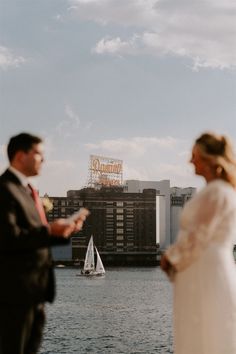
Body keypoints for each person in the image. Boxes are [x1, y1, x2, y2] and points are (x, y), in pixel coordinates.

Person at [0, 132, 88, 354]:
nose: (44, 160)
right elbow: (8, 239)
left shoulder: (27, 191)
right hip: (13, 293)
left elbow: (34, 237)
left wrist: (64, 232)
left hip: (35, 291)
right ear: (21, 155)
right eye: (39, 153)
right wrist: (49, 229)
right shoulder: (4, 190)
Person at [161, 132, 236, 354]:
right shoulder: (223, 191)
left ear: (209, 159)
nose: (190, 160)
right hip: (208, 267)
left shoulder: (216, 192)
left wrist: (170, 259)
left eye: (195, 155)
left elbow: (199, 236)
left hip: (205, 269)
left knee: (203, 331)